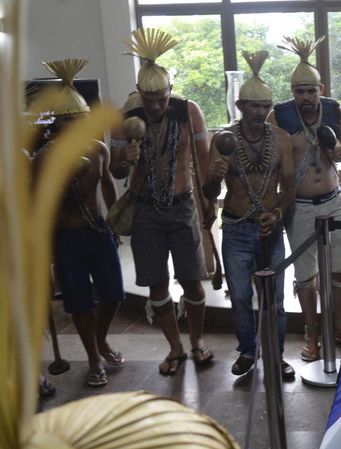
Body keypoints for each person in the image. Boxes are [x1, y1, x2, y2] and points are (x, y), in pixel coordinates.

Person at [109, 27, 217, 376]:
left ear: (170, 91)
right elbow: (113, 169)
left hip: (183, 205)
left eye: (162, 99)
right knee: (156, 283)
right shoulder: (125, 118)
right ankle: (175, 347)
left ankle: (197, 340)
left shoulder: (188, 111)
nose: (155, 107)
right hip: (145, 210)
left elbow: (202, 163)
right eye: (149, 100)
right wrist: (126, 156)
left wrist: (209, 202)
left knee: (191, 281)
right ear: (139, 93)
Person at [204, 50, 297, 380]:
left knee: (276, 300)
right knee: (241, 297)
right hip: (235, 230)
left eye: (266, 106)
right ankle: (248, 351)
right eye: (254, 106)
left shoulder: (282, 139)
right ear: (240, 107)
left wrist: (277, 213)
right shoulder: (223, 139)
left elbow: (290, 190)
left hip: (269, 231)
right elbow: (209, 193)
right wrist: (214, 177)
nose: (261, 112)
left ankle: (278, 357)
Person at [33, 58, 124, 389]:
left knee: (113, 294)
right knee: (81, 302)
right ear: (60, 123)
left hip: (98, 234)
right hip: (67, 240)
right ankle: (93, 358)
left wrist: (116, 221)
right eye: (73, 122)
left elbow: (108, 185)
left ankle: (101, 339)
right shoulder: (45, 157)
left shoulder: (98, 150)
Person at [272, 36, 341, 363]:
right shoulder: (279, 117)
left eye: (311, 90)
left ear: (321, 89)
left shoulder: (335, 111)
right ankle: (310, 332)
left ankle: (337, 324)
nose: (306, 97)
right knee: (305, 275)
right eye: (299, 91)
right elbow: (270, 160)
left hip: (333, 201)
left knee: (340, 271)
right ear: (292, 92)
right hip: (300, 206)